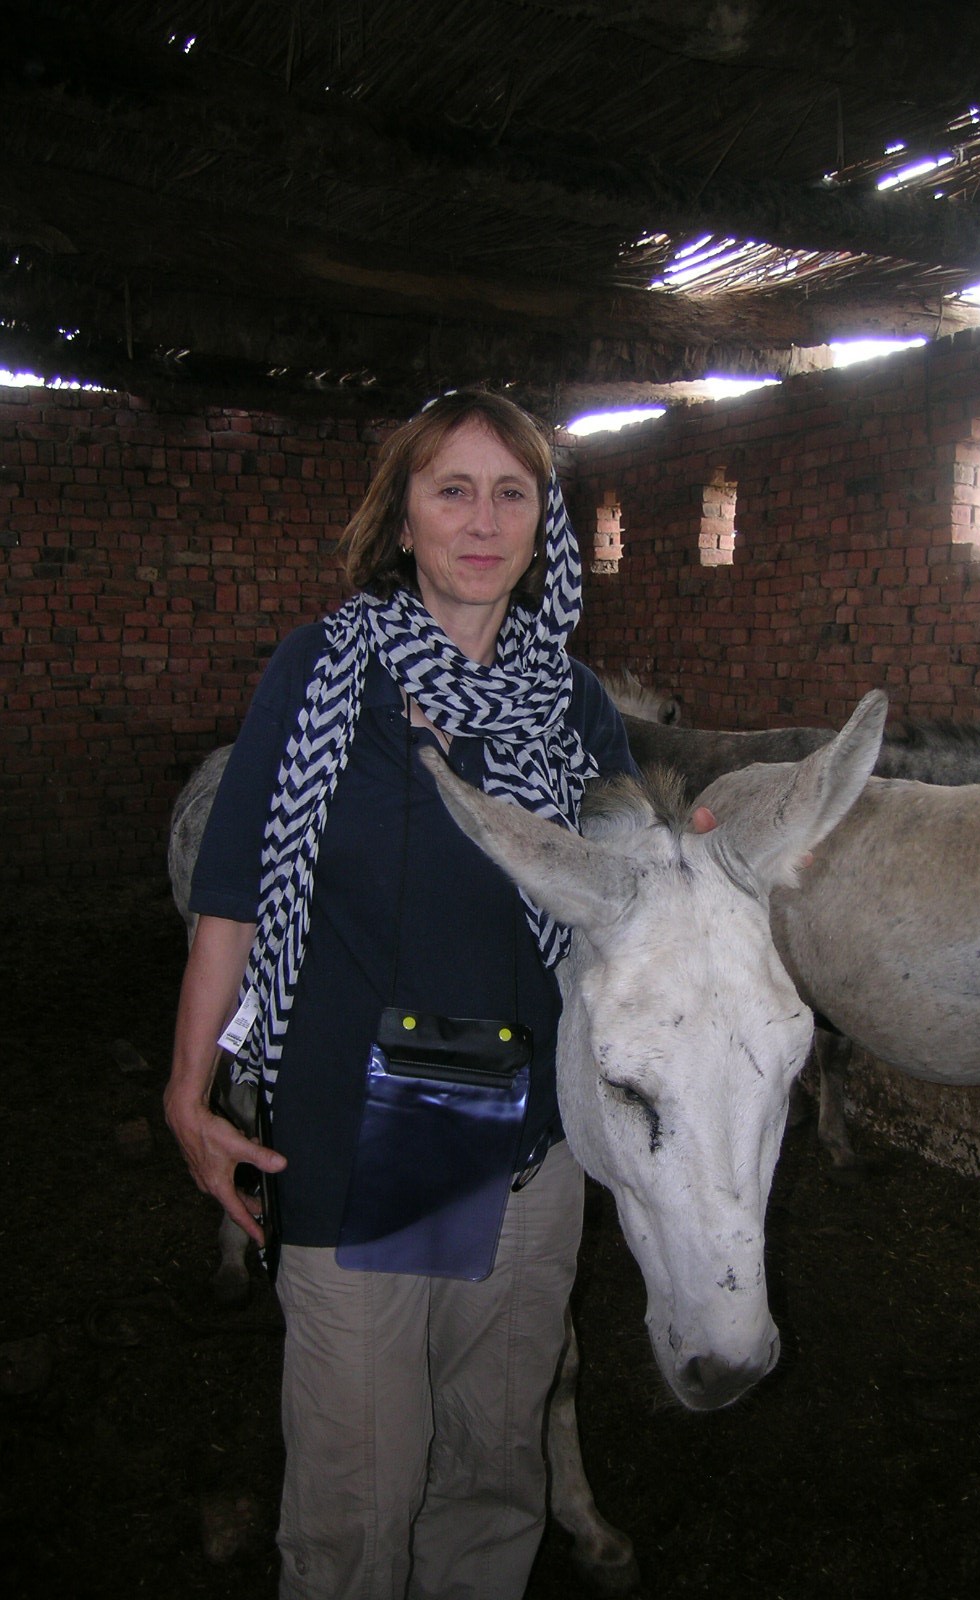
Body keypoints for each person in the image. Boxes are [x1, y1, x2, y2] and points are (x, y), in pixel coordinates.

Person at [164, 390, 637, 1599]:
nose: (483, 521)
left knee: (492, 1472)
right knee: (362, 1493)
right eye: (453, 490)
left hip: (531, 1136)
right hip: (375, 1124)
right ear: (406, 516)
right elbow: (232, 896)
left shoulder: (574, 704)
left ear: (547, 523)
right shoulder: (324, 674)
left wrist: (691, 861)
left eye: (512, 492)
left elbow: (626, 897)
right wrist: (189, 1090)